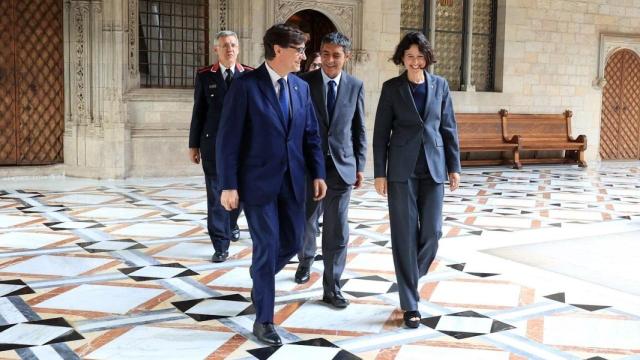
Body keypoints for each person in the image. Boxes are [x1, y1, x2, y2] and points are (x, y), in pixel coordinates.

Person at [216, 24, 327, 345]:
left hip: (293, 183)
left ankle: (259, 277)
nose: (304, 57)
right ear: (278, 49)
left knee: (292, 243)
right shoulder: (245, 86)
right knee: (266, 247)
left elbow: (310, 136)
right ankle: (264, 320)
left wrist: (318, 173)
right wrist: (228, 184)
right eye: (299, 50)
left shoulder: (301, 88)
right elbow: (228, 139)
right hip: (257, 185)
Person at [372, 31, 461, 329]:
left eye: (419, 56)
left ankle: (409, 278)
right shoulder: (391, 88)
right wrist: (380, 173)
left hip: (434, 168)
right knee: (404, 235)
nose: (414, 61)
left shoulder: (441, 86)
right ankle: (410, 303)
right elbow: (380, 133)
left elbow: (448, 127)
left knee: (432, 233)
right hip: (401, 171)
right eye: (409, 56)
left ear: (427, 58)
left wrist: (454, 167)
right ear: (402, 58)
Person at [294, 32, 366, 311]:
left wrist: (360, 164)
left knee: (337, 229)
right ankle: (305, 259)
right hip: (309, 168)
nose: (330, 60)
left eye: (336, 55)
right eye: (325, 54)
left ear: (346, 56)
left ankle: (332, 286)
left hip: (341, 168)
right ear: (319, 54)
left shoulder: (355, 86)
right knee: (307, 220)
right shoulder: (302, 83)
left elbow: (359, 129)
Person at [188, 30, 252, 263]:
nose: (230, 49)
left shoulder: (250, 75)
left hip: (244, 147)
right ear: (216, 49)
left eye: (233, 45)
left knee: (241, 192)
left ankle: (231, 222)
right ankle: (220, 243)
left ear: (239, 48)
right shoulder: (205, 75)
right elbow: (199, 112)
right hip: (213, 145)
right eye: (225, 45)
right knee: (216, 195)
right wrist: (194, 144)